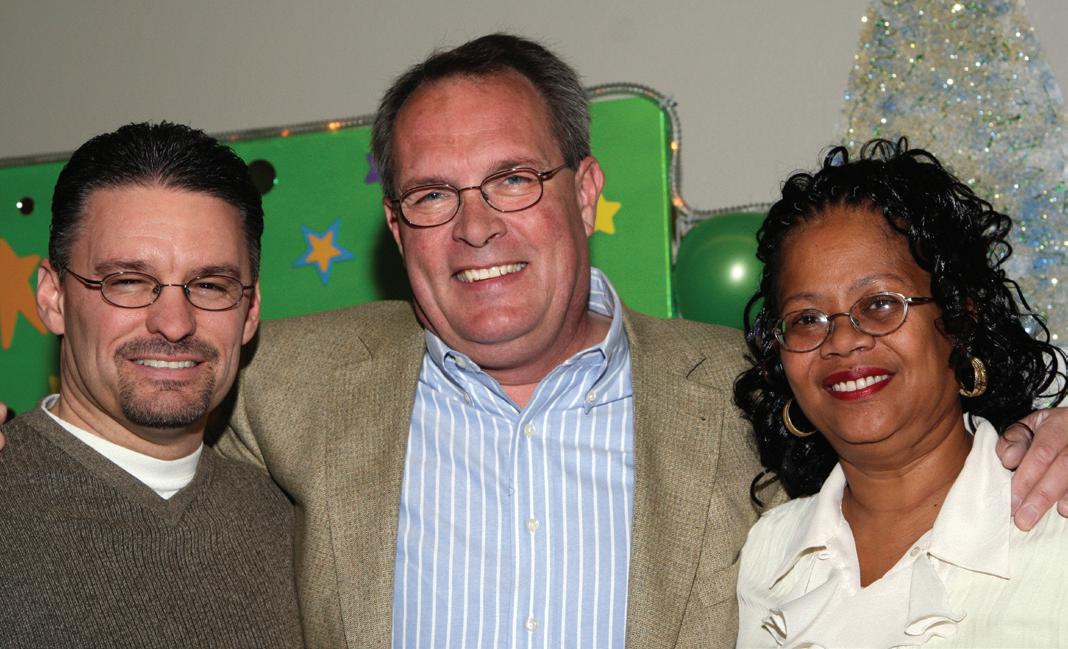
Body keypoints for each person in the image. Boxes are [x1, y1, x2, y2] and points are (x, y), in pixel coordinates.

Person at [215, 35, 1068, 648]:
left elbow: (915, 443)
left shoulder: (753, 389)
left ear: (585, 192)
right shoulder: (282, 381)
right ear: (398, 227)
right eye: (433, 194)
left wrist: (1044, 430)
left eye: (513, 179)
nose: (475, 227)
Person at [733, 139, 1068, 647]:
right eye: (806, 319)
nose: (842, 340)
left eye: (879, 304)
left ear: (958, 319)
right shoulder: (766, 554)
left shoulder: (1055, 530)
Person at [0, 122, 303, 648]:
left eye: (211, 285)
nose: (174, 323)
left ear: (250, 311)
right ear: (53, 298)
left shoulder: (288, 523)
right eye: (128, 282)